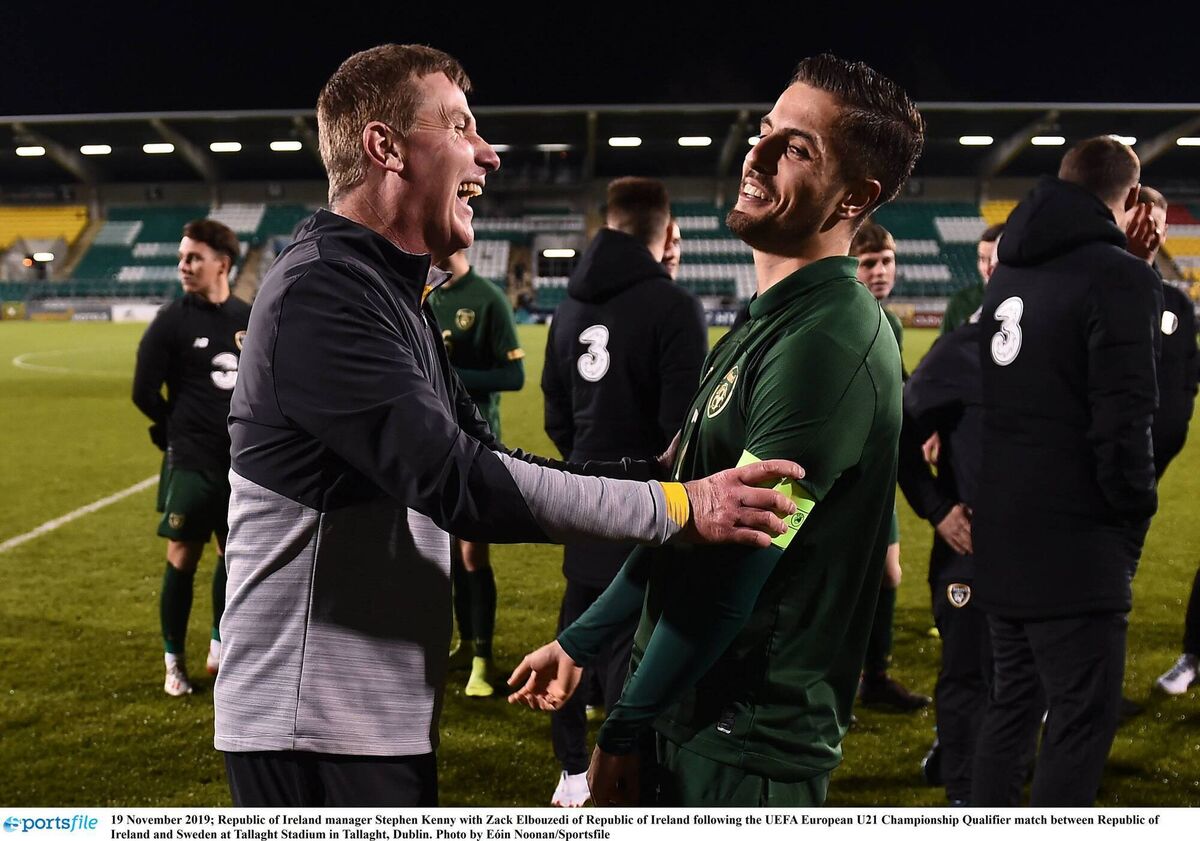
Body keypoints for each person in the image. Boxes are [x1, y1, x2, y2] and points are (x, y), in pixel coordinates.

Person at [213, 43, 801, 808]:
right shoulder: (323, 292)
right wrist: (682, 507)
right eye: (460, 126)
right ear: (384, 147)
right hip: (310, 724)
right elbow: (459, 481)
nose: (487, 154)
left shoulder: (387, 291)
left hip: (362, 716)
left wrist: (656, 477)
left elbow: (483, 452)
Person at [511, 53, 925, 807]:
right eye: (766, 131)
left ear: (853, 197)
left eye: (797, 148)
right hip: (685, 708)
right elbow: (686, 527)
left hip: (744, 744)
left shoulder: (825, 345)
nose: (756, 156)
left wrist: (622, 730)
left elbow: (730, 581)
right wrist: (583, 641)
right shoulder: (763, 323)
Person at [970, 136, 1161, 806]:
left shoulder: (1011, 269)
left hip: (1002, 528)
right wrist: (1132, 509)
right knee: (1080, 720)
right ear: (1130, 198)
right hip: (1076, 542)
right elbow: (1124, 416)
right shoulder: (1121, 277)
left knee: (1011, 708)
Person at [541, 177, 707, 806]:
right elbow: (685, 430)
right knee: (632, 643)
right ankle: (622, 772)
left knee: (577, 625)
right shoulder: (672, 307)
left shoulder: (568, 306)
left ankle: (571, 771)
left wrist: (586, 469)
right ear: (665, 233)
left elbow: (555, 408)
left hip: (582, 493)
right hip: (648, 505)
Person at [132, 219, 250, 697]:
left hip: (241, 463)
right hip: (192, 460)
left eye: (194, 257)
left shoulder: (249, 315)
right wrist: (172, 427)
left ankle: (221, 645)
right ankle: (172, 661)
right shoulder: (171, 320)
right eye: (183, 257)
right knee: (182, 555)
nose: (184, 265)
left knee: (233, 556)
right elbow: (143, 391)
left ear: (222, 263)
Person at [896, 318, 988, 804]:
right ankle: (962, 788)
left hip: (1045, 551)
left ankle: (982, 766)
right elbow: (899, 429)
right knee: (968, 670)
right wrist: (937, 509)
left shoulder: (1069, 340)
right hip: (970, 549)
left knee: (1022, 678)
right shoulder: (962, 349)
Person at [427, 249, 525, 698]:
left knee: (471, 555)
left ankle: (483, 661)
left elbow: (514, 375)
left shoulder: (486, 298)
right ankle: (463, 645)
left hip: (474, 444)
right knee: (443, 555)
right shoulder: (423, 292)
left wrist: (448, 376)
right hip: (429, 441)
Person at [851, 221, 931, 711]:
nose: (880, 272)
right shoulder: (839, 317)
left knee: (888, 573)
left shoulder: (892, 324)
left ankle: (873, 677)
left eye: (886, 262)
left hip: (877, 473)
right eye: (869, 263)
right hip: (839, 476)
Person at [1129, 186, 1200, 697]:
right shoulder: (1091, 285)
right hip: (1090, 468)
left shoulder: (1176, 301)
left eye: (1156, 219)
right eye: (1138, 216)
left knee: (1113, 580)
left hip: (1150, 470)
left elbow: (1185, 380)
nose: (1150, 227)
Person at [941, 223, 1004, 335]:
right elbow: (944, 349)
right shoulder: (960, 303)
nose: (987, 268)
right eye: (982, 259)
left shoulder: (1027, 304)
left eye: (994, 260)